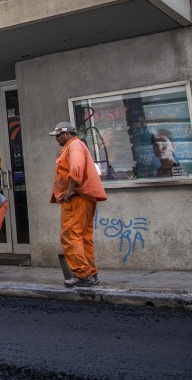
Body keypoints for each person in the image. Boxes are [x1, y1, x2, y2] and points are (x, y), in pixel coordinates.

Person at [49, 122, 107, 287]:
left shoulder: (73, 146)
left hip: (76, 199)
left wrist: (70, 191)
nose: (56, 139)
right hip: (85, 198)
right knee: (84, 237)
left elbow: (75, 169)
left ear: (66, 134)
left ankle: (83, 274)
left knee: (70, 235)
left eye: (58, 135)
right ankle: (90, 272)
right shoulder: (77, 146)